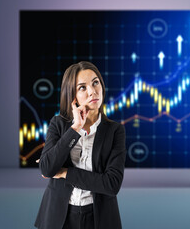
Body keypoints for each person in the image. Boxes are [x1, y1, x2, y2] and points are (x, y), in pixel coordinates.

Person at [34, 61, 126, 229]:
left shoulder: (115, 131)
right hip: (59, 217)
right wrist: (75, 128)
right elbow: (47, 169)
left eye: (95, 83)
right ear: (72, 95)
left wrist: (64, 173)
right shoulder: (58, 124)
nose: (93, 91)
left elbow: (111, 184)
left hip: (99, 218)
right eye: (82, 87)